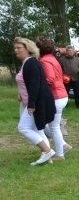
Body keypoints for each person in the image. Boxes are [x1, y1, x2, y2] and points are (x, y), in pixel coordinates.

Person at [14, 37, 56, 165]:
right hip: (36, 100)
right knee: (39, 129)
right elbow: (28, 84)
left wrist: (32, 104)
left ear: (28, 49)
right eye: (15, 48)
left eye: (19, 48)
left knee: (23, 128)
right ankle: (47, 157)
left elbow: (35, 85)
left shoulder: (31, 63)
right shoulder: (28, 62)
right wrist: (22, 95)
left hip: (38, 102)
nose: (16, 50)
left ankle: (47, 151)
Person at [36, 36, 72, 160]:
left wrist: (38, 85)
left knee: (53, 127)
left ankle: (60, 153)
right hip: (61, 94)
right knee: (52, 126)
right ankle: (62, 146)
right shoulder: (52, 59)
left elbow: (50, 79)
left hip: (56, 96)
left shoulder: (45, 61)